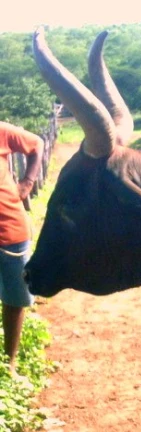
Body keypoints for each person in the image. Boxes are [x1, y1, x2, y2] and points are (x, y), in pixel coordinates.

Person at [0, 121, 43, 374]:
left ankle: (10, 362)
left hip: (8, 230)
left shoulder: (2, 130)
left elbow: (37, 143)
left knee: (15, 300)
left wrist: (27, 182)